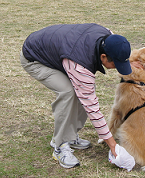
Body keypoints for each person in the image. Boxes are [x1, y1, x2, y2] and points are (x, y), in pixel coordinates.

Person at [20, 23, 136, 170]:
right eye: (115, 64)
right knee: (68, 92)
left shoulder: (108, 36)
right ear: (103, 56)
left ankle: (70, 135)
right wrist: (112, 144)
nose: (116, 69)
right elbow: (91, 107)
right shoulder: (79, 64)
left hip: (59, 51)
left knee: (82, 90)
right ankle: (59, 144)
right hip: (34, 58)